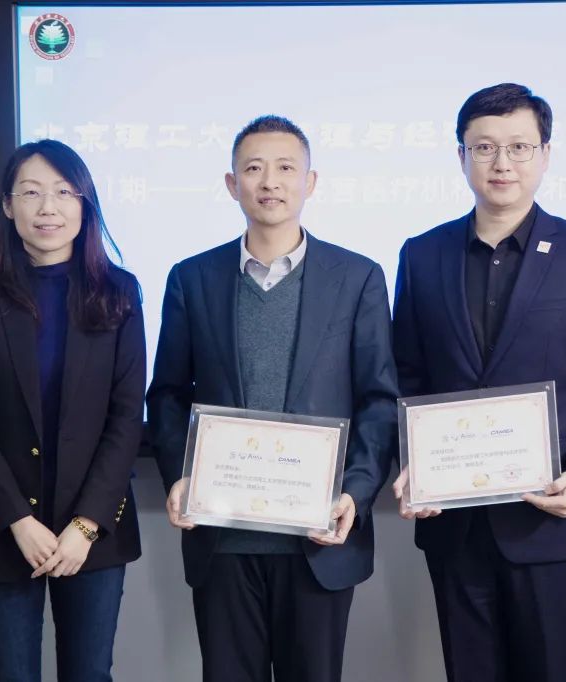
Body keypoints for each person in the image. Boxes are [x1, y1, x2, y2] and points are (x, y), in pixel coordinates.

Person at [391, 83, 566, 682]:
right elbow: (406, 377)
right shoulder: (422, 254)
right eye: (484, 147)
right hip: (455, 526)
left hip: (550, 522)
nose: (501, 163)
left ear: (545, 155)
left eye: (519, 147)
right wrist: (411, 462)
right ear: (461, 157)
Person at [147, 115, 398, 682]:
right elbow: (167, 395)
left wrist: (356, 493)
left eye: (286, 168)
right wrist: (179, 475)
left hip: (319, 539)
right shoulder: (192, 278)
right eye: (253, 168)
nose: (270, 181)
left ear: (310, 183)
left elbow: (379, 401)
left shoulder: (358, 277)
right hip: (223, 538)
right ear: (231, 184)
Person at [0, 139, 145, 682]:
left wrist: (85, 525)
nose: (48, 207)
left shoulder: (120, 293)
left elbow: (127, 418)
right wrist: (17, 520)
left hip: (92, 527)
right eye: (31, 193)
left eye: (63, 192)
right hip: (2, 526)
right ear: (8, 206)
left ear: (85, 204)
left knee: (89, 674)